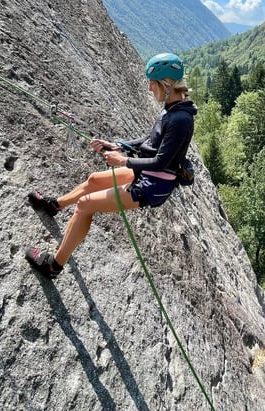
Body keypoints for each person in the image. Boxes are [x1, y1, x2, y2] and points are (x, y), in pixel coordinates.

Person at [24, 53, 196, 279]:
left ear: (166, 85)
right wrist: (117, 145)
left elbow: (161, 161)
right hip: (147, 172)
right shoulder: (172, 109)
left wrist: (122, 160)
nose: (149, 89)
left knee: (85, 205)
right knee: (95, 179)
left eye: (152, 84)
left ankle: (53, 266)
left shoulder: (180, 120)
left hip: (152, 185)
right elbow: (150, 140)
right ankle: (54, 206)